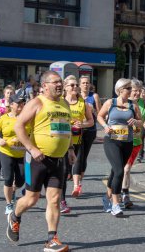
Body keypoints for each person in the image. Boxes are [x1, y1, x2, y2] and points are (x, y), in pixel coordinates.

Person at [6, 70, 76, 252]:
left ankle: (51, 239)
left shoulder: (65, 104)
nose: (59, 85)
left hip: (59, 160)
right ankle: (14, 215)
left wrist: (70, 149)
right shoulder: (36, 103)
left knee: (53, 200)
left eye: (60, 82)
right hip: (36, 159)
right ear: (44, 86)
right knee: (31, 199)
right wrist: (32, 148)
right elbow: (18, 125)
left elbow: (66, 127)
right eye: (55, 82)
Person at [97, 78, 142, 216]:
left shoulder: (133, 106)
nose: (131, 91)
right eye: (128, 88)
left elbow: (140, 122)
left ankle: (107, 197)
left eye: (131, 88)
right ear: (120, 90)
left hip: (127, 142)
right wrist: (105, 126)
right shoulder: (110, 103)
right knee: (119, 171)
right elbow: (99, 116)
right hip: (111, 141)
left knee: (114, 172)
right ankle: (116, 204)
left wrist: (136, 122)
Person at [0, 94, 28, 214]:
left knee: (21, 180)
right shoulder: (3, 118)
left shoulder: (27, 119)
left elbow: (33, 134)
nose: (21, 107)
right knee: (8, 178)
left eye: (23, 104)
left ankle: (13, 190)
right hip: (6, 152)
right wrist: (0, 140)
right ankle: (9, 204)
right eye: (18, 104)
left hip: (22, 154)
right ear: (11, 105)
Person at [61, 75, 93, 214]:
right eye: (72, 85)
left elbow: (91, 121)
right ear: (65, 87)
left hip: (77, 140)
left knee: (77, 164)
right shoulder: (60, 102)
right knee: (63, 171)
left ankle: (75, 186)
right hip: (62, 141)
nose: (75, 87)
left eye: (76, 85)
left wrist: (82, 124)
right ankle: (61, 199)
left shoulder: (83, 103)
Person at [120, 79, 145, 208]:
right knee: (122, 169)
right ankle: (118, 193)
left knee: (126, 169)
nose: (136, 93)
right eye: (134, 90)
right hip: (122, 140)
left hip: (136, 142)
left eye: (138, 90)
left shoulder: (143, 103)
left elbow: (143, 119)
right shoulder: (124, 103)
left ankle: (123, 194)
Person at [80, 76, 102, 191]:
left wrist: (93, 111)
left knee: (83, 156)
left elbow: (100, 113)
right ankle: (71, 172)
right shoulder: (76, 97)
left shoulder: (94, 96)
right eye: (83, 83)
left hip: (90, 130)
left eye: (87, 83)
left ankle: (78, 181)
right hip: (76, 130)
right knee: (73, 154)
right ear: (80, 85)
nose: (85, 85)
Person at [0, 85, 15, 181]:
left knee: (11, 149)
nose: (9, 95)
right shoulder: (0, 102)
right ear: (4, 93)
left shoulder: (15, 103)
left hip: (11, 129)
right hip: (1, 128)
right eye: (7, 93)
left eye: (11, 93)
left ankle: (8, 171)